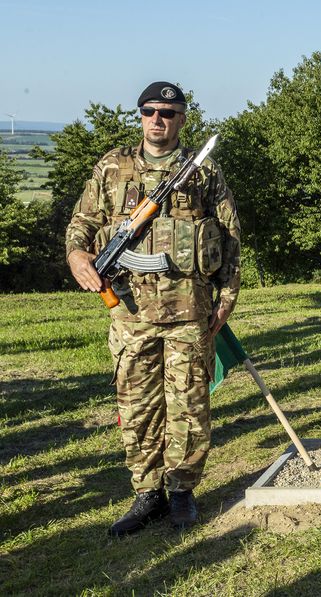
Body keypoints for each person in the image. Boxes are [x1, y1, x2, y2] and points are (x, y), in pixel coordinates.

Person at [65, 81, 241, 533]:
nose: (157, 119)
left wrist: (227, 300)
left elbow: (229, 237)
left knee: (188, 405)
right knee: (138, 405)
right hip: (130, 312)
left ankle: (182, 492)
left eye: (167, 112)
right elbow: (81, 223)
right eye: (149, 111)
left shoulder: (203, 173)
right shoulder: (112, 167)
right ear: (140, 116)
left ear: (182, 119)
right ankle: (147, 495)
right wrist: (78, 257)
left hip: (189, 311)